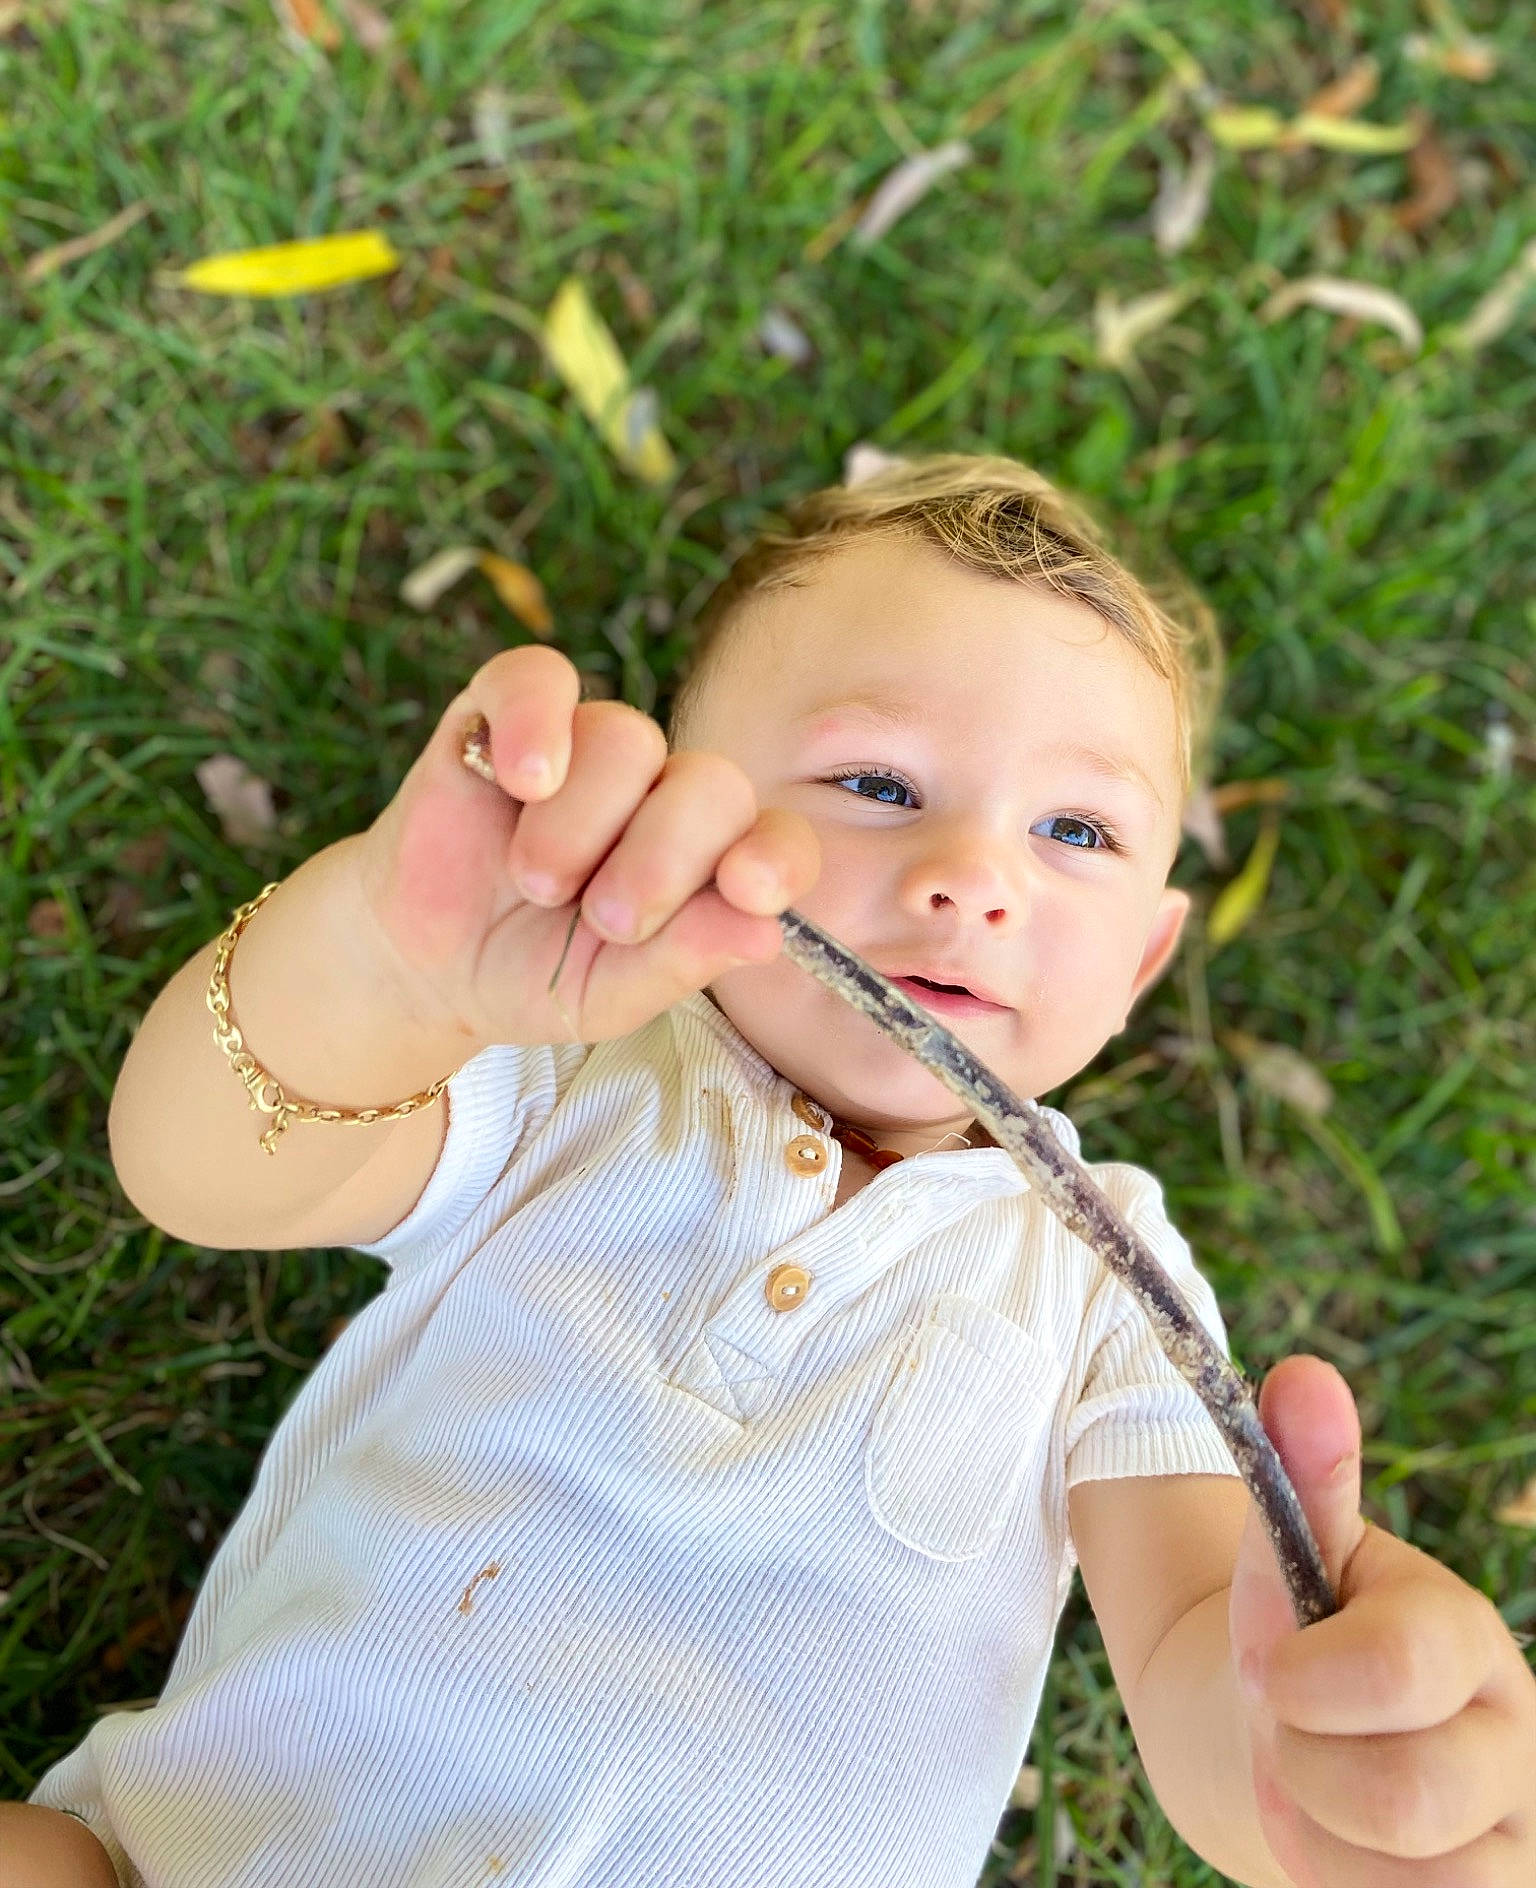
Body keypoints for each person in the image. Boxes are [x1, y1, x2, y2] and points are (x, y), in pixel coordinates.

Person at [10, 455, 1532, 1888]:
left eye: (1074, 828)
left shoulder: (1098, 1285)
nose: (972, 877)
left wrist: (1301, 1745)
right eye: (875, 782)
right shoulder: (568, 1064)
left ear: (1141, 959)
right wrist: (386, 964)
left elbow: (1203, 1632)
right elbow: (197, 1167)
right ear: (683, 815)